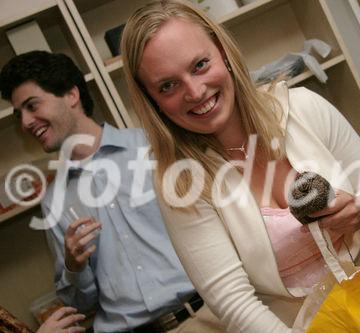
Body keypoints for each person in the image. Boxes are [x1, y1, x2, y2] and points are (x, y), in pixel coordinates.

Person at [121, 0, 360, 332]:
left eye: (200, 64)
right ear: (152, 100)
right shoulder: (181, 183)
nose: (195, 91)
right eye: (168, 85)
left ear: (223, 52)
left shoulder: (303, 108)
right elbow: (235, 304)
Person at [0, 51, 223, 333]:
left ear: (71, 95)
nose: (25, 123)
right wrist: (73, 266)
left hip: (207, 318)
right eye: (19, 114)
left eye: (32, 106)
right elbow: (80, 305)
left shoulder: (154, 147)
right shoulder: (53, 201)